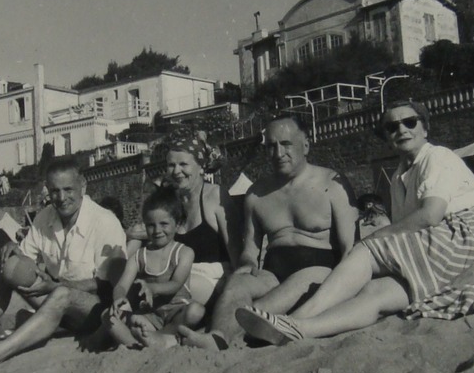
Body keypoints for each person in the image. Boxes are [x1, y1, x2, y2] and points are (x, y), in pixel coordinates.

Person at [236, 100, 474, 344]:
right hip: (441, 252)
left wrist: (372, 241)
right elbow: (406, 232)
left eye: (409, 122)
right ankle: (302, 330)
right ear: (386, 136)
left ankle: (295, 319)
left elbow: (430, 215)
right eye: (392, 127)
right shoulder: (399, 177)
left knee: (367, 249)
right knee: (376, 294)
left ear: (425, 128)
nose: (402, 130)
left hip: (470, 234)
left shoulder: (437, 156)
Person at [179, 113, 354, 348]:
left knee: (293, 285)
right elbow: (250, 248)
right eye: (271, 146)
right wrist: (247, 266)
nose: (278, 153)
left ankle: (245, 326)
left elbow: (349, 248)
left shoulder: (332, 184)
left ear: (306, 145)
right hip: (273, 274)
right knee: (237, 283)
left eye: (286, 144)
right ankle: (217, 337)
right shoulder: (257, 193)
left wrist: (342, 290)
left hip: (319, 271)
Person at [0, 156, 127, 371]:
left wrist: (59, 286)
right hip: (57, 299)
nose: (61, 198)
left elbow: (109, 285)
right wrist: (12, 251)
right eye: (55, 191)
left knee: (62, 295)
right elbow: (24, 258)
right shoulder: (45, 217)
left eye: (68, 190)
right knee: (4, 265)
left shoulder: (105, 221)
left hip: (94, 312)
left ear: (83, 186)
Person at [105, 187, 204, 348]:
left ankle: (155, 338)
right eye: (151, 225)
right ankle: (143, 341)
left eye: (164, 224)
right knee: (109, 317)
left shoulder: (184, 252)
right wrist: (119, 297)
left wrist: (151, 287)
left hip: (177, 312)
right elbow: (122, 284)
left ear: (177, 224)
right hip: (150, 315)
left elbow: (176, 284)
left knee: (196, 310)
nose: (157, 231)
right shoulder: (139, 256)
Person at [160, 129, 236, 307]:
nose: (176, 171)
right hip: (179, 277)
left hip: (213, 278)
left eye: (183, 164)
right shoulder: (171, 201)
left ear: (201, 166)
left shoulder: (215, 195)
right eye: (171, 165)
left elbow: (236, 254)